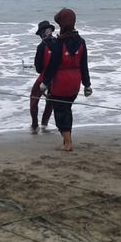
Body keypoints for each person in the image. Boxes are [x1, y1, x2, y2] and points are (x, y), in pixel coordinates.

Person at [41, 8, 92, 151]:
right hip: (75, 83)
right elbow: (84, 65)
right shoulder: (81, 42)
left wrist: (44, 83)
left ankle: (68, 143)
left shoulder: (58, 43)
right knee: (67, 110)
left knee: (59, 113)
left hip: (60, 83)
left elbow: (52, 65)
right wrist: (87, 85)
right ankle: (66, 141)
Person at [30, 20, 55, 130]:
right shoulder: (59, 42)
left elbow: (39, 69)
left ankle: (35, 124)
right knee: (50, 101)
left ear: (42, 33)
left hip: (44, 77)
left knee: (34, 98)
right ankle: (44, 123)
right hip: (56, 78)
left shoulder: (41, 46)